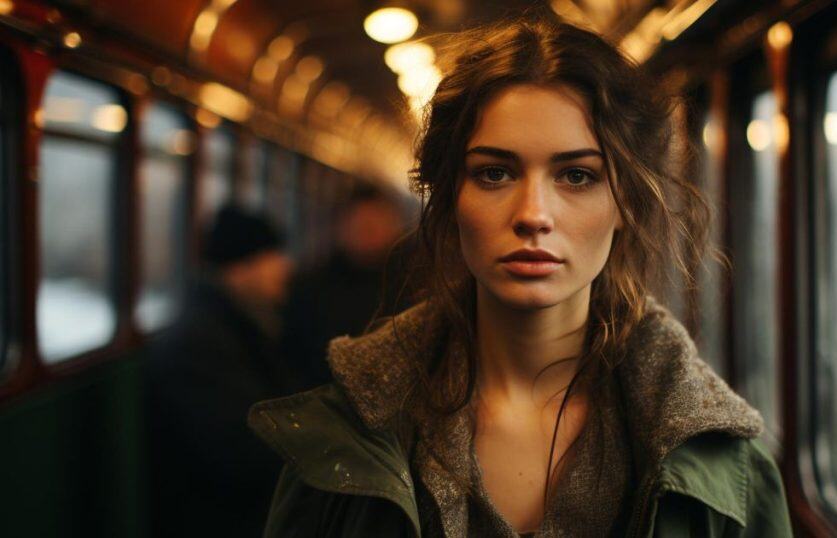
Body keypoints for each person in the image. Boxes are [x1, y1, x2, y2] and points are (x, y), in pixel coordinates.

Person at [248, 17, 792, 537]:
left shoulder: (721, 461)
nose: (533, 213)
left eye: (577, 175)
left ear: (626, 201)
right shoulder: (344, 436)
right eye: (494, 173)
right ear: (449, 198)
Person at [146, 205, 302, 538]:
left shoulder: (238, 326)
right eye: (272, 255)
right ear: (241, 267)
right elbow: (241, 453)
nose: (286, 266)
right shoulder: (198, 344)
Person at [282, 186, 412, 387]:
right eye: (360, 226)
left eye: (375, 225)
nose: (368, 233)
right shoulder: (311, 287)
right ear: (340, 228)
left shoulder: (412, 284)